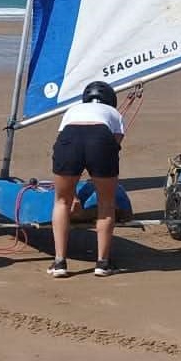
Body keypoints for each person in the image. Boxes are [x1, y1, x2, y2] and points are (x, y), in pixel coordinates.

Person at [48, 81, 126, 278]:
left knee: (61, 201)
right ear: (110, 99)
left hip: (69, 137)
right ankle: (102, 263)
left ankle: (59, 263)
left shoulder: (73, 109)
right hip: (100, 137)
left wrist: (73, 193)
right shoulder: (113, 113)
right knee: (106, 204)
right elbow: (115, 144)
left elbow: (61, 139)